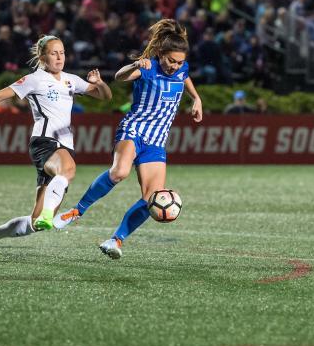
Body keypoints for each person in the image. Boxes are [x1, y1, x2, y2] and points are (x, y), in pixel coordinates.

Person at [0, 35, 112, 261]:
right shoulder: (34, 80)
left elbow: (105, 97)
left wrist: (100, 82)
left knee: (36, 223)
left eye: (62, 52)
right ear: (42, 57)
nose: (59, 57)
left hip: (62, 147)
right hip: (45, 143)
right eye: (54, 53)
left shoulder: (71, 80)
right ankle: (48, 213)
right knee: (68, 170)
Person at [54, 19, 203, 259]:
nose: (175, 66)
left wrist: (196, 98)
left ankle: (116, 240)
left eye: (180, 62)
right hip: (133, 129)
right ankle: (76, 211)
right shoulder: (147, 67)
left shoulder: (181, 69)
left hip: (157, 140)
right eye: (170, 60)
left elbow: (185, 78)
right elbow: (120, 76)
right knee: (119, 172)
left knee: (150, 198)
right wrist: (135, 64)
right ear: (159, 54)